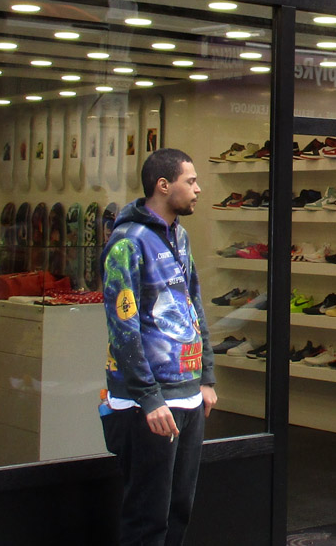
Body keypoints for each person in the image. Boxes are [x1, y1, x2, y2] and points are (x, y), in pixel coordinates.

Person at [100, 148, 216, 545]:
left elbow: (193, 304)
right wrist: (149, 398)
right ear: (163, 186)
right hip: (146, 404)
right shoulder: (127, 242)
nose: (198, 189)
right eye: (191, 181)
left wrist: (207, 376)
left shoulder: (179, 236)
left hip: (186, 394)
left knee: (178, 508)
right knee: (147, 515)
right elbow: (122, 326)